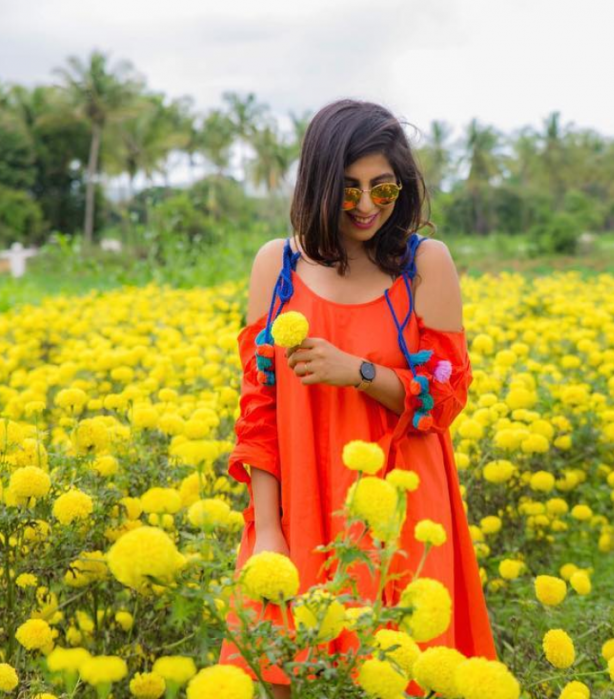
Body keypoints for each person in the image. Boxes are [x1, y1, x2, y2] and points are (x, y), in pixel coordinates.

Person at [218, 99, 498, 697]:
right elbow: (257, 411)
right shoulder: (278, 265)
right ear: (318, 186)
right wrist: (268, 530)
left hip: (403, 511)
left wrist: (360, 372)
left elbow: (444, 402)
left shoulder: (425, 264)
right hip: (300, 504)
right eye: (348, 191)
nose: (367, 206)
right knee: (291, 674)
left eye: (383, 188)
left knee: (399, 674)